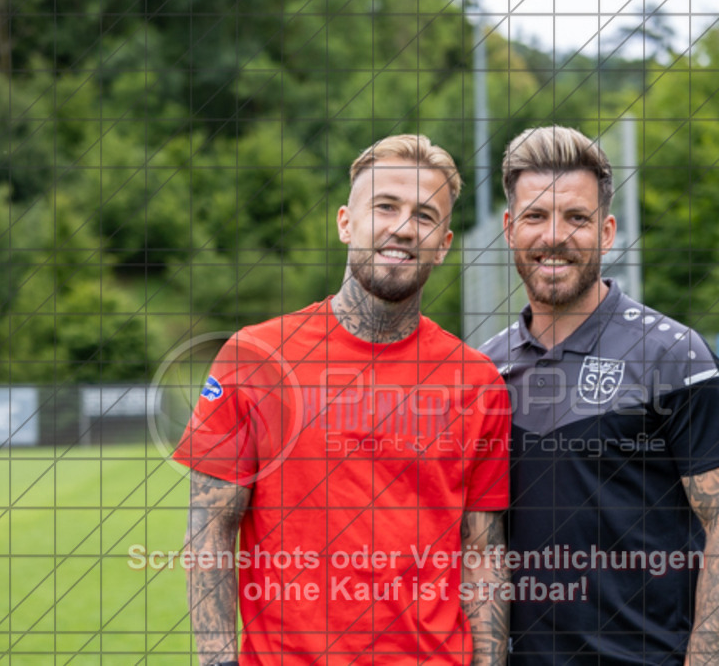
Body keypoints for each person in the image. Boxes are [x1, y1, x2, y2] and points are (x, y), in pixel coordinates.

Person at [173, 134, 512, 665]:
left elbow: (483, 550)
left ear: (444, 244)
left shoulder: (477, 382)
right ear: (345, 223)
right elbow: (211, 528)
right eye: (385, 206)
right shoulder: (255, 357)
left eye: (424, 216)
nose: (402, 228)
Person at [480, 125, 719, 665]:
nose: (554, 236)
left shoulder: (676, 357)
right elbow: (483, 544)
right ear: (510, 229)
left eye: (576, 218)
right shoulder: (483, 371)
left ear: (607, 232)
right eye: (536, 217)